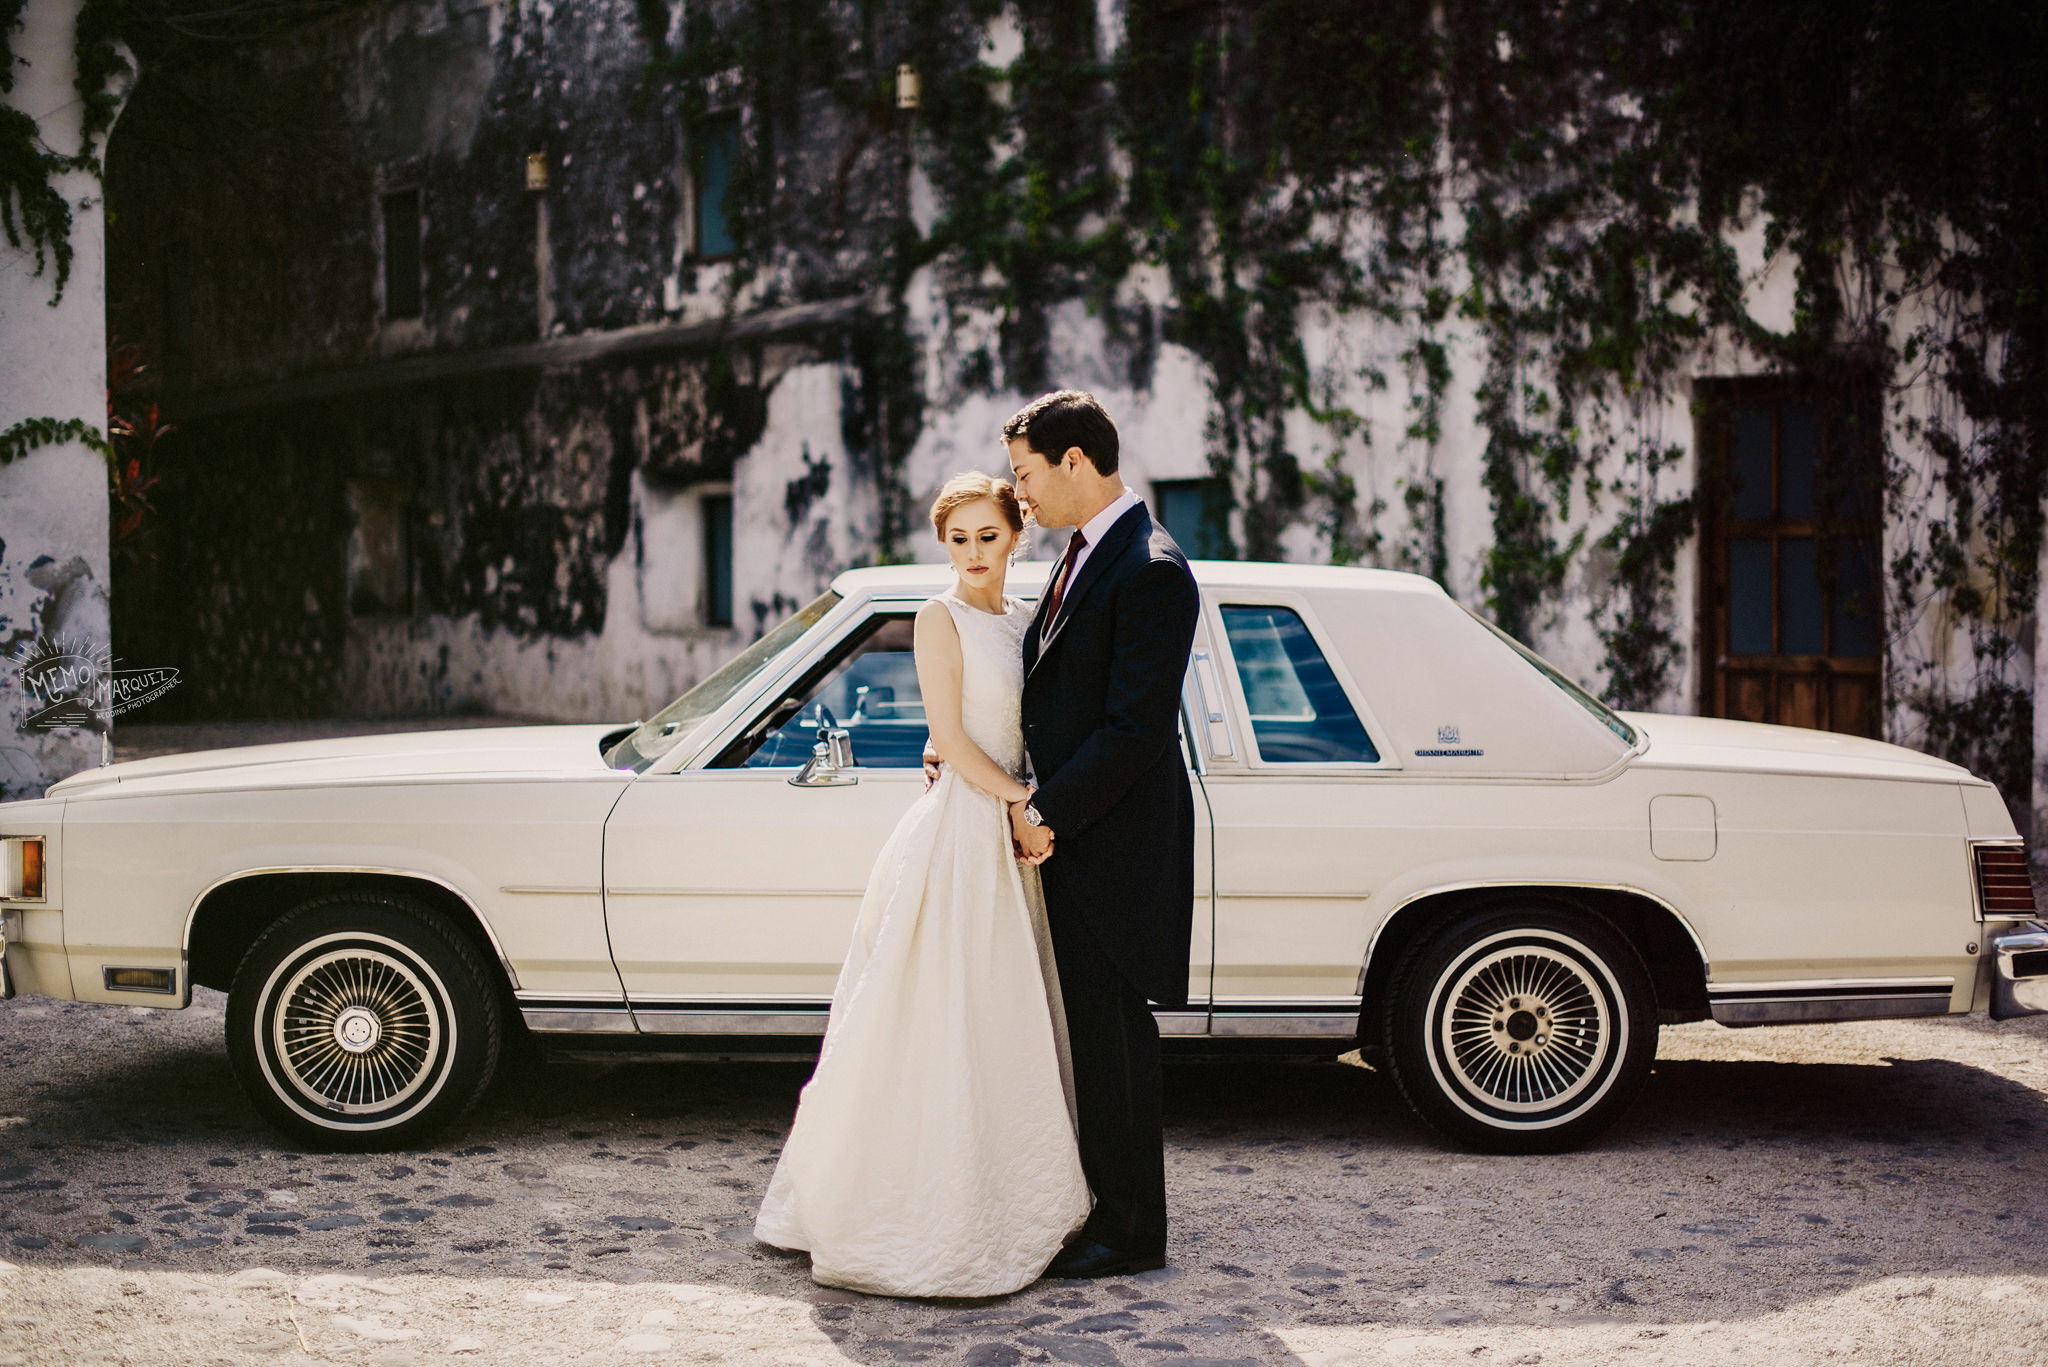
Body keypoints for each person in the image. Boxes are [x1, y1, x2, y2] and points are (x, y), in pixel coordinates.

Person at [753, 472, 1090, 1298]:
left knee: (1005, 1019)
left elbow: (1039, 722)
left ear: (1015, 535)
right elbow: (949, 737)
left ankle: (1015, 1198)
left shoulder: (1026, 617)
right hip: (962, 834)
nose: (973, 553)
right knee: (939, 1017)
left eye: (986, 535)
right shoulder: (937, 619)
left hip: (1013, 836)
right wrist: (1022, 801)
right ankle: (916, 1209)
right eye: (957, 540)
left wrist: (1032, 798)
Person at [1002, 389, 1202, 1279]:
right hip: (1081, 838)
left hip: (1115, 847)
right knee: (1089, 1033)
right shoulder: (1085, 555)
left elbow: (1134, 730)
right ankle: (1103, 1208)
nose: (1020, 496)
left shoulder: (1151, 565)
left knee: (1115, 1040)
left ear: (1075, 459)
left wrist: (1042, 815)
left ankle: (1130, 1231)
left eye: (1026, 473)